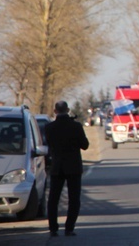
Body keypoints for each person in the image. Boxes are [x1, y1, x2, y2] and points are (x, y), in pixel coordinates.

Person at [44, 100, 89, 237]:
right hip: (73, 167)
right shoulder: (75, 126)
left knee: (53, 199)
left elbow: (50, 145)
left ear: (55, 111)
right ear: (68, 110)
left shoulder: (49, 127)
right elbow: (85, 145)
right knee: (74, 199)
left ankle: (53, 228)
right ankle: (69, 228)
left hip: (57, 166)